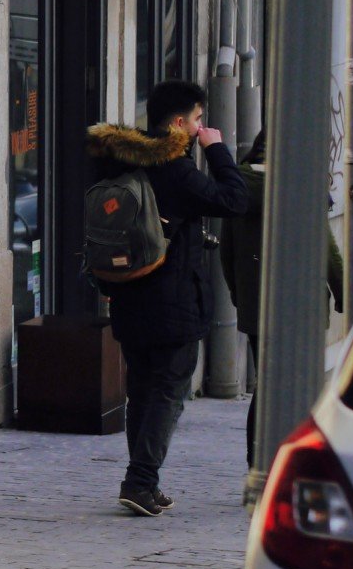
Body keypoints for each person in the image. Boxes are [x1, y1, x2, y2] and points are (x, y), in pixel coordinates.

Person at [86, 80, 247, 517]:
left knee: (141, 391)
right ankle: (140, 481)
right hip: (173, 303)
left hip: (127, 296)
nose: (201, 128)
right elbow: (234, 200)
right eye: (197, 120)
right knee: (168, 392)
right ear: (178, 122)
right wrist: (217, 149)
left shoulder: (119, 160)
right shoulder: (175, 170)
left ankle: (145, 482)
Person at [220, 130, 344, 467]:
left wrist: (239, 296)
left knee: (265, 387)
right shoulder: (299, 188)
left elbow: (226, 253)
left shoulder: (238, 188)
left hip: (257, 307)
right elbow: (326, 250)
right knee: (301, 387)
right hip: (301, 307)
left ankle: (256, 463)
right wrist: (343, 293)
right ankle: (296, 463)